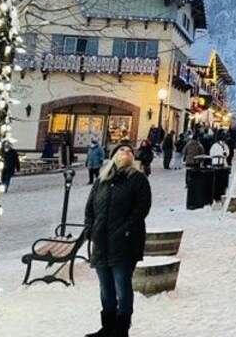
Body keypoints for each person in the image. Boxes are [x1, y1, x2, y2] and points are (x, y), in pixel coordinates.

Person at [83, 143, 152, 337]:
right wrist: (90, 229)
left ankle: (121, 330)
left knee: (122, 285)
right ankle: (107, 327)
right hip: (101, 241)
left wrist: (125, 230)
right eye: (122, 150)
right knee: (106, 288)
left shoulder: (138, 179)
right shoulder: (102, 180)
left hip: (124, 242)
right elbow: (90, 209)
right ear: (113, 156)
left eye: (130, 151)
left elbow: (141, 209)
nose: (126, 153)